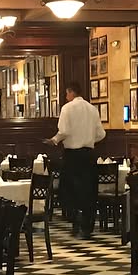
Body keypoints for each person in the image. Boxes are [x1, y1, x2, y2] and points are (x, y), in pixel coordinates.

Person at [48, 82, 105, 238]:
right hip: (88, 155)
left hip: (72, 156)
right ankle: (88, 225)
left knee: (70, 190)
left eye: (67, 94)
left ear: (71, 92)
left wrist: (54, 140)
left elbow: (64, 131)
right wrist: (88, 138)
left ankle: (74, 222)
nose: (66, 97)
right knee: (89, 190)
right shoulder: (92, 109)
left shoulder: (67, 108)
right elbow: (101, 134)